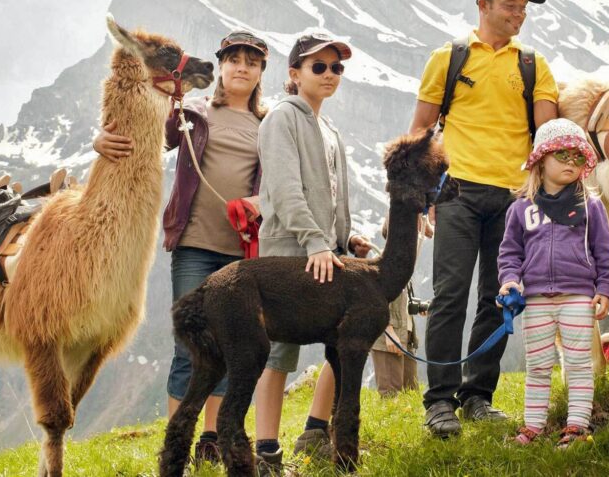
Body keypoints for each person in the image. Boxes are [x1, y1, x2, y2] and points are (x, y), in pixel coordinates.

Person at [93, 30, 269, 464]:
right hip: (193, 244)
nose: (241, 67)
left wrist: (260, 203)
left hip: (240, 250)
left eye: (251, 60)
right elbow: (139, 134)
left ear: (261, 71)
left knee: (228, 345)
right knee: (189, 345)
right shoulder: (191, 115)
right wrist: (101, 141)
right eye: (233, 59)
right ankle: (178, 441)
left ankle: (211, 438)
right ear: (222, 66)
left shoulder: (268, 127)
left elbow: (279, 180)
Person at [408, 0, 560, 439]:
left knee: (500, 296)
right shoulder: (448, 58)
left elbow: (549, 137)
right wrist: (418, 196)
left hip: (514, 198)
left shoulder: (534, 64)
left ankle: (478, 396)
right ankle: (439, 402)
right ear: (483, 4)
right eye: (510, 4)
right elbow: (420, 132)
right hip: (457, 191)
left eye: (524, 7)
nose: (519, 13)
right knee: (451, 295)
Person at [251, 33, 373, 475]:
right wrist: (315, 240)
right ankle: (266, 452)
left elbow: (332, 198)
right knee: (278, 350)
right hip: (288, 254)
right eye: (317, 66)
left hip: (327, 252)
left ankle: (316, 432)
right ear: (294, 74)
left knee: (341, 344)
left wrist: (345, 239)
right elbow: (283, 191)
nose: (328, 74)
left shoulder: (330, 130)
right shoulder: (280, 119)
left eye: (336, 67)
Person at [497, 118, 609, 447]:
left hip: (578, 296)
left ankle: (577, 425)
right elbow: (510, 253)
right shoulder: (521, 209)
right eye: (562, 155)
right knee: (537, 365)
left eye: (578, 157)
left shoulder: (591, 207)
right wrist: (509, 282)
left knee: (578, 362)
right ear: (540, 160)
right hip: (535, 299)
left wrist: (605, 290)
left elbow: (605, 252)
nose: (571, 162)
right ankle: (534, 426)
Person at [369, 216, 431, 397]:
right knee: (391, 393)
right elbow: (376, 302)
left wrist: (418, 307)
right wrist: (388, 333)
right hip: (389, 337)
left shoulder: (404, 264)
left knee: (410, 392)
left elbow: (400, 299)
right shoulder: (381, 262)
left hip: (405, 336)